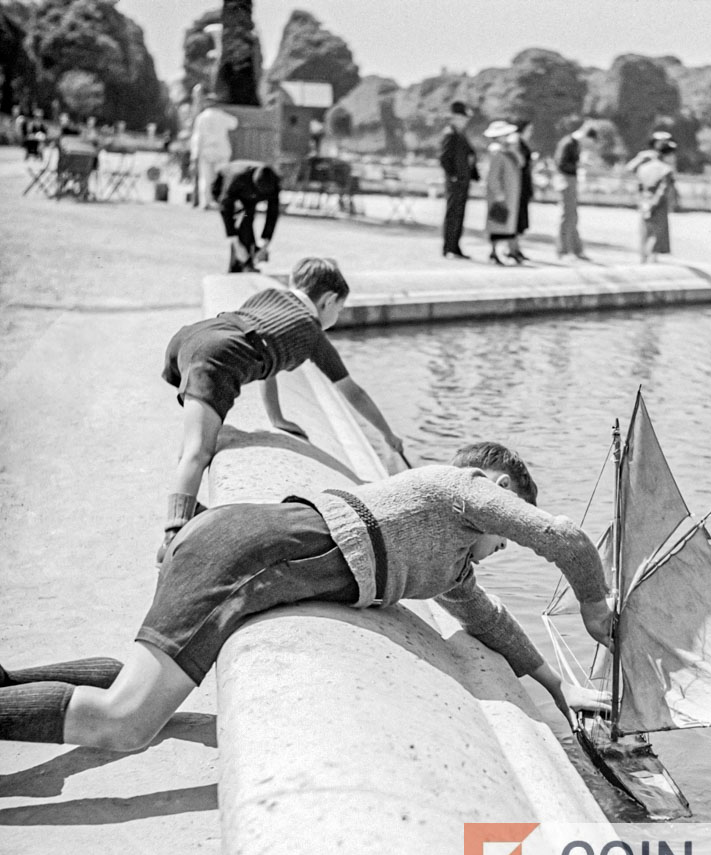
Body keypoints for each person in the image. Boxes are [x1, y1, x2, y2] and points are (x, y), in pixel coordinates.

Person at [0, 444, 614, 749]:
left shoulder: (449, 566)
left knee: (126, 683)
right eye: (510, 523)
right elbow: (563, 536)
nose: (507, 541)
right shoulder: (463, 490)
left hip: (248, 543)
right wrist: (594, 604)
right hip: (251, 554)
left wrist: (562, 690)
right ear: (501, 487)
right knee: (126, 724)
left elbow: (491, 621)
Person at [158, 257, 405, 562]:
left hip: (192, 337)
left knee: (193, 443)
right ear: (328, 301)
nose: (337, 317)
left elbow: (262, 352)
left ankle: (187, 506)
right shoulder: (313, 333)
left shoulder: (269, 296)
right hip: (219, 356)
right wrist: (387, 435)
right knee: (199, 450)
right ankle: (172, 540)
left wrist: (276, 418)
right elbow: (352, 392)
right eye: (339, 310)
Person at [211, 160, 282, 273]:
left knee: (246, 218)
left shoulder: (274, 183)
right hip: (223, 187)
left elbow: (272, 214)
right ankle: (241, 261)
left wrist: (265, 245)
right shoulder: (237, 178)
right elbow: (225, 209)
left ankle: (248, 259)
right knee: (241, 219)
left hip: (248, 197)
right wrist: (236, 243)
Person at [439, 100, 480, 260]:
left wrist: (473, 173)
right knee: (453, 213)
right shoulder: (450, 133)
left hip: (463, 180)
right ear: (455, 117)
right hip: (456, 181)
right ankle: (449, 247)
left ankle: (455, 246)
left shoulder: (460, 134)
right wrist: (454, 175)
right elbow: (444, 158)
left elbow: (469, 156)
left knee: (459, 214)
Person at [628, 133, 677, 263]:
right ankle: (652, 258)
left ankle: (643, 257)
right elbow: (663, 190)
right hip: (657, 204)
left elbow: (638, 186)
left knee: (645, 231)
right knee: (656, 233)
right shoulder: (666, 169)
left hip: (644, 201)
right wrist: (653, 204)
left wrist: (643, 203)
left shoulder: (643, 167)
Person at [553, 123, 597, 260]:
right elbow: (561, 164)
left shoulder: (575, 144)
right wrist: (578, 165)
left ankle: (576, 249)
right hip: (565, 180)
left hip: (571, 179)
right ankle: (563, 251)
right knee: (567, 217)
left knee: (573, 216)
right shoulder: (568, 143)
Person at [483, 121, 524, 265]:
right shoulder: (496, 152)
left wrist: (513, 148)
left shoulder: (508, 152)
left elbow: (521, 162)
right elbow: (493, 176)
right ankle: (494, 252)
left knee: (505, 224)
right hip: (501, 195)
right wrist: (498, 192)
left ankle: (507, 251)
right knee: (497, 222)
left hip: (509, 194)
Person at [190, 95, 238, 210]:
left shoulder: (201, 117)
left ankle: (206, 202)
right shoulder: (222, 116)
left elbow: (197, 137)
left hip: (207, 150)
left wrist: (195, 154)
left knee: (205, 177)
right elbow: (234, 123)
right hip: (221, 150)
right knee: (222, 177)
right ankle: (222, 201)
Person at [513, 119, 535, 260]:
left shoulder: (522, 143)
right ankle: (512, 248)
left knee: (520, 218)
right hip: (518, 184)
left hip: (524, 183)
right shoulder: (516, 141)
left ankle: (515, 248)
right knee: (516, 217)